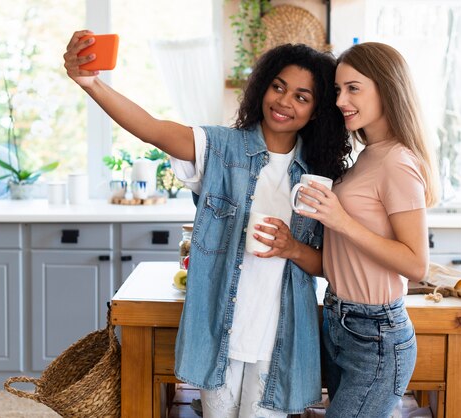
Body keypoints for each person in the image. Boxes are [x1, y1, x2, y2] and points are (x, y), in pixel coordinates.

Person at [63, 31, 350, 417]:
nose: (283, 101)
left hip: (280, 342)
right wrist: (91, 83)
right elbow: (151, 127)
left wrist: (292, 248)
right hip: (220, 334)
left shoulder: (319, 175)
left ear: (316, 111)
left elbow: (328, 266)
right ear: (263, 88)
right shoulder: (219, 149)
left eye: (301, 96)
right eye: (278, 87)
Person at [294, 42, 439, 417]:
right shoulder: (366, 157)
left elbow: (416, 265)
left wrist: (341, 220)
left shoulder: (397, 162)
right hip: (341, 322)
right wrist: (288, 246)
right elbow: (343, 263)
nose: (341, 100)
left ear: (387, 88)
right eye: (339, 90)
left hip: (376, 334)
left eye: (353, 88)